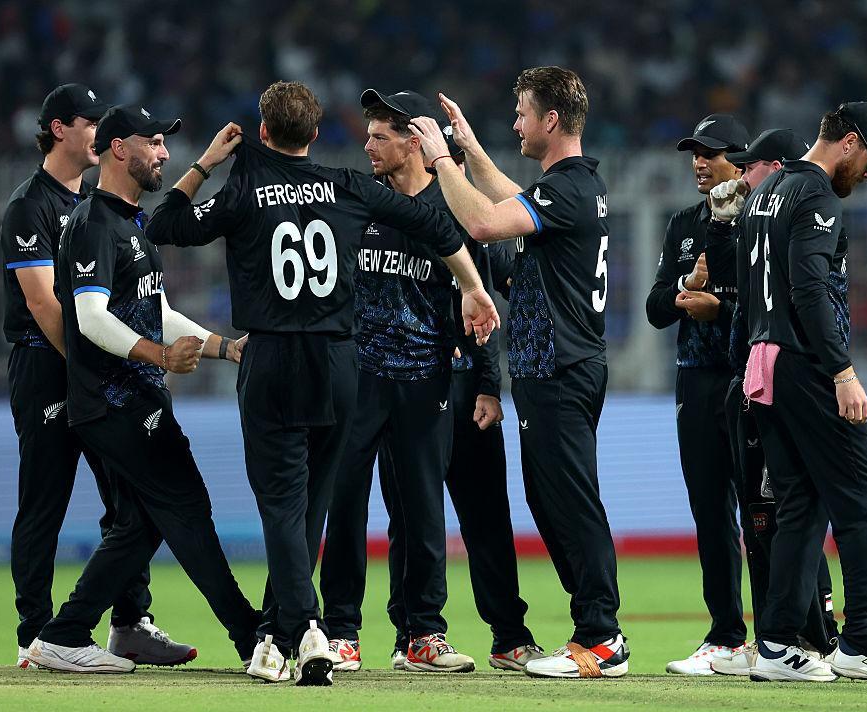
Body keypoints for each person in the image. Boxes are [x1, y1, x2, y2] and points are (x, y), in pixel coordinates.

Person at [145, 81, 499, 685]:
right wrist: (472, 285)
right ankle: (284, 632)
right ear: (315, 135)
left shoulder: (245, 191)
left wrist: (205, 162)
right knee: (313, 501)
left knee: (285, 500)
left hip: (272, 356)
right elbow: (441, 230)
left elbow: (166, 224)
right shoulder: (348, 186)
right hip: (340, 364)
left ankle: (305, 629)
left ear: (261, 134)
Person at [25, 104, 261, 674]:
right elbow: (89, 316)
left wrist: (224, 348)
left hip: (132, 398)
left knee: (143, 522)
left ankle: (64, 633)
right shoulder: (91, 224)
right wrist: (157, 355)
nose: (163, 153)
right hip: (115, 401)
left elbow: (155, 311)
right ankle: (251, 634)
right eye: (154, 142)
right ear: (117, 149)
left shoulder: (127, 223)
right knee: (185, 505)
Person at [408, 65, 627, 679]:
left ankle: (602, 637)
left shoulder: (572, 188)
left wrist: (441, 163)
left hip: (562, 368)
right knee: (551, 498)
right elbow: (509, 198)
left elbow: (482, 222)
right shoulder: (572, 187)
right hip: (549, 370)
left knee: (572, 500)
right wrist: (470, 149)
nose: (516, 122)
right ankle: (593, 629)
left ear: (550, 120)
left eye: (524, 112)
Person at [320, 89, 538, 674]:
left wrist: (490, 384)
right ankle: (358, 631)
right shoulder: (361, 204)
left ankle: (459, 634)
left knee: (450, 512)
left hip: (445, 382)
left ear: (415, 141)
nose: (367, 145)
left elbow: (486, 302)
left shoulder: (458, 209)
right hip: (367, 379)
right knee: (368, 508)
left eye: (380, 136)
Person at [1, 83, 193, 670]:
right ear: (59, 128)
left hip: (94, 368)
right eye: (87, 121)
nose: (95, 132)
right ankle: (36, 636)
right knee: (45, 498)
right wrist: (97, 365)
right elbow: (41, 303)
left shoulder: (95, 205)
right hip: (47, 362)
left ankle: (131, 622)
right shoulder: (28, 206)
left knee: (129, 499)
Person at [737, 102, 867, 683]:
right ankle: (865, 641)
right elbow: (810, 289)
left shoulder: (764, 195)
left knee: (801, 504)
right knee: (864, 499)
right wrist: (841, 371)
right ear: (849, 142)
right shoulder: (815, 195)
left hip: (761, 362)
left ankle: (775, 645)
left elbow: (750, 293)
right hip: (807, 365)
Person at [701, 129, 841, 676]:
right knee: (777, 512)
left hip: (775, 373)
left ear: (774, 166)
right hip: (762, 378)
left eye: (746, 166)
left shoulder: (783, 214)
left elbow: (772, 299)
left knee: (791, 509)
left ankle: (811, 637)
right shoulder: (757, 217)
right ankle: (783, 642)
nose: (738, 175)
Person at [644, 114, 751, 675]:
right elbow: (655, 308)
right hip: (695, 381)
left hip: (750, 378)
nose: (699, 163)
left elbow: (768, 311)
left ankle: (801, 632)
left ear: (741, 158)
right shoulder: (683, 224)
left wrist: (722, 308)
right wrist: (687, 291)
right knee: (710, 511)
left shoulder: (758, 223)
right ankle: (728, 636)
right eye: (694, 153)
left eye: (711, 153)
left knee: (771, 512)